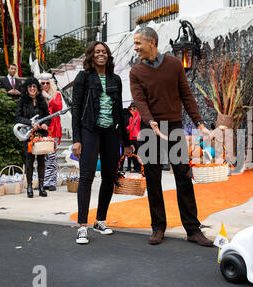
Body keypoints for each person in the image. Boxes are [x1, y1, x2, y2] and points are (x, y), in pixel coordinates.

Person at [129, 26, 213, 247]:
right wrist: (151, 121)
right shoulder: (136, 72)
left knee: (184, 178)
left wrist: (200, 124)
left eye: (139, 43)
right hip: (150, 131)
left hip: (174, 128)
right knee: (154, 181)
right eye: (135, 43)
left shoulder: (175, 65)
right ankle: (158, 227)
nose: (136, 47)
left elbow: (187, 95)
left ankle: (193, 230)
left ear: (152, 42)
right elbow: (140, 101)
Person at [71, 41, 133, 245]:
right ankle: (82, 226)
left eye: (104, 52)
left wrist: (126, 140)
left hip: (111, 132)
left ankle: (100, 220)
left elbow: (119, 112)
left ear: (108, 56)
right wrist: (76, 140)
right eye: (97, 52)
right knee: (86, 176)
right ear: (91, 55)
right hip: (90, 130)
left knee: (109, 176)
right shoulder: (83, 78)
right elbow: (76, 109)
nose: (101, 54)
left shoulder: (115, 79)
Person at [15, 77, 50, 198]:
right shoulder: (22, 101)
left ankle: (41, 187)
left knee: (41, 161)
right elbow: (18, 117)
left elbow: (48, 116)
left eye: (34, 86)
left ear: (37, 88)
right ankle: (29, 187)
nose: (32, 88)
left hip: (40, 135)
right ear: (26, 88)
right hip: (28, 135)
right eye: (30, 86)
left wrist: (46, 124)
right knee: (29, 161)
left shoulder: (42, 100)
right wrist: (30, 123)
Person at [37, 73, 63, 191]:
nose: (45, 85)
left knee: (51, 157)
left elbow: (59, 107)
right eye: (43, 83)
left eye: (48, 83)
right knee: (42, 157)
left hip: (54, 129)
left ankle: (50, 182)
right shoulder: (37, 96)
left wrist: (48, 97)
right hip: (41, 129)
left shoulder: (56, 94)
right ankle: (44, 182)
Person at [126, 102, 141, 172]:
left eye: (134, 107)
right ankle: (136, 168)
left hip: (138, 138)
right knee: (133, 154)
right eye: (131, 108)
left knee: (139, 154)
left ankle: (141, 168)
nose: (132, 109)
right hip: (131, 138)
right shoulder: (131, 118)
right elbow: (130, 127)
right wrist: (124, 128)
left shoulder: (139, 116)